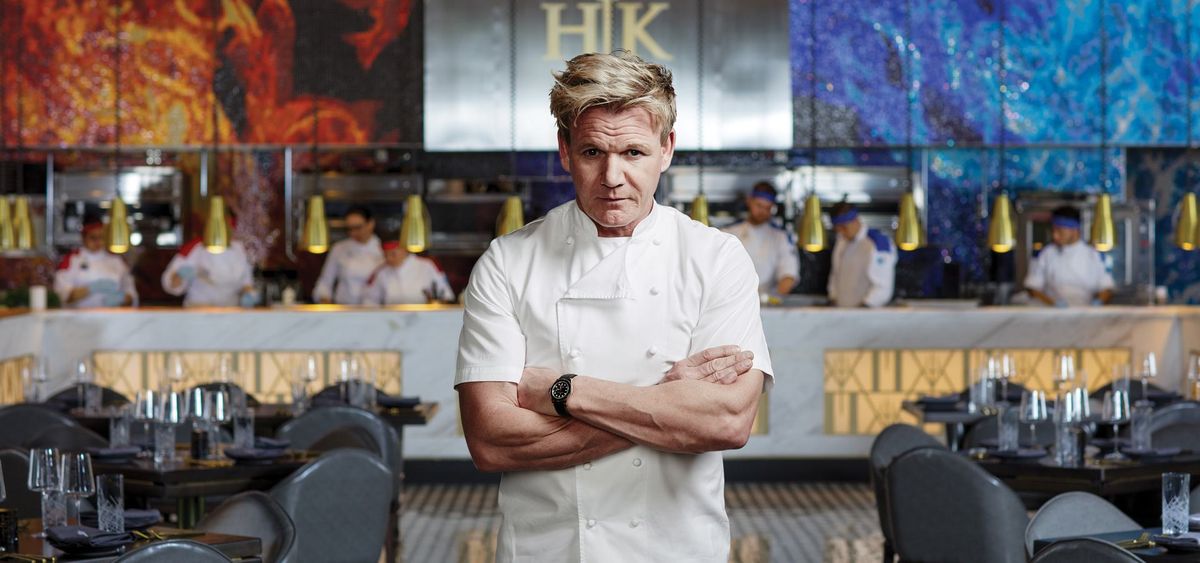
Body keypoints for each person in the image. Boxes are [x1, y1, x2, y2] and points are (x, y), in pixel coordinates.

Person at [455, 51, 773, 563]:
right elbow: (491, 442)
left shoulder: (716, 257)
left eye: (633, 152)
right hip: (548, 550)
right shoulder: (508, 261)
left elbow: (727, 423)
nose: (612, 176)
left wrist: (562, 391)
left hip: (677, 550)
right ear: (564, 151)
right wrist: (668, 405)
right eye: (592, 152)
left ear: (666, 149)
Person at [161, 213, 258, 308]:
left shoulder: (241, 251)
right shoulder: (195, 248)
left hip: (230, 310)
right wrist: (180, 275)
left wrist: (249, 295)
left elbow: (246, 284)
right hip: (197, 309)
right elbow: (171, 284)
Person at [1024, 206, 1114, 307]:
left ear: (1075, 230)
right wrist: (1053, 304)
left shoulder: (1094, 255)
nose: (1055, 236)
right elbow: (1032, 288)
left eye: (1060, 231)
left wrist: (1098, 303)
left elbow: (1106, 288)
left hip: (1085, 311)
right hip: (1051, 311)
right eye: (1053, 231)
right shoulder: (1045, 253)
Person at [722, 181, 799, 297]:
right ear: (749, 201)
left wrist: (774, 297)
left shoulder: (781, 237)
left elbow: (789, 274)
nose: (762, 211)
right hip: (733, 299)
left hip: (769, 301)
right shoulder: (728, 233)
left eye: (767, 208)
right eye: (759, 205)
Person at [54, 218, 138, 308]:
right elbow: (62, 294)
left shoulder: (116, 261)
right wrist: (91, 288)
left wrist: (122, 299)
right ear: (84, 238)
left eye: (101, 237)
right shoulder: (72, 259)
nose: (98, 241)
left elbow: (131, 293)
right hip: (79, 315)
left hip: (111, 314)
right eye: (93, 237)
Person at [827, 202, 896, 308]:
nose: (841, 233)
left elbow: (883, 287)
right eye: (838, 229)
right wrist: (833, 298)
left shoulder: (878, 242)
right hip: (840, 312)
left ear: (855, 220)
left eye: (844, 227)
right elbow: (835, 275)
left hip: (867, 314)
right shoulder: (841, 241)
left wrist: (863, 309)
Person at [313, 206, 384, 304]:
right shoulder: (339, 249)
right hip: (343, 307)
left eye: (358, 228)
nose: (353, 233)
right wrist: (324, 299)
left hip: (374, 309)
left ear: (370, 224)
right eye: (349, 229)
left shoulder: (383, 250)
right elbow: (325, 281)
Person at [362, 240, 454, 305]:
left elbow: (445, 294)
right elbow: (370, 299)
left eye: (393, 254)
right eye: (385, 255)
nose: (389, 258)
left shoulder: (427, 265)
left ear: (404, 249)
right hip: (391, 319)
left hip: (424, 317)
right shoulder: (382, 271)